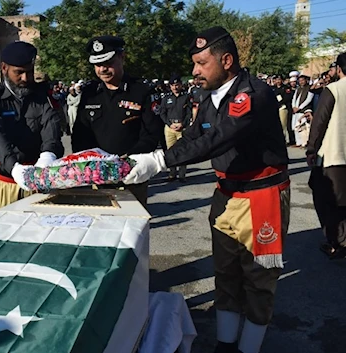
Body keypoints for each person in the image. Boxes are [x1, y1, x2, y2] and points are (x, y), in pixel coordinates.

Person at [123, 27, 290, 353]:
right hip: (226, 195)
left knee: (258, 281)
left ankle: (249, 348)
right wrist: (156, 155)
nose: (195, 71)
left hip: (260, 198)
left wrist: (160, 160)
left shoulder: (252, 94)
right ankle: (226, 345)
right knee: (225, 273)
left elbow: (219, 138)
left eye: (201, 63)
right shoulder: (209, 97)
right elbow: (194, 138)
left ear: (226, 60)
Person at [72, 35, 163, 206]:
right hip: (97, 179)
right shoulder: (90, 93)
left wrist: (124, 162)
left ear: (122, 57)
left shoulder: (141, 91)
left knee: (131, 230)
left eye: (108, 63)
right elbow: (80, 133)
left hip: (131, 178)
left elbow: (151, 135)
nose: (103, 69)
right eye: (98, 65)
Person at [0, 41, 64, 210]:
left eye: (29, 72)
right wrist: (14, 168)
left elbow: (51, 126)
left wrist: (48, 155)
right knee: (7, 230)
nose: (26, 78)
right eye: (19, 72)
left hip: (39, 175)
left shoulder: (43, 96)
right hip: (5, 179)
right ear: (4, 68)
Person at [307, 52, 346, 259]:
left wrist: (311, 150)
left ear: (339, 69)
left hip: (334, 156)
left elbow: (319, 123)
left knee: (328, 202)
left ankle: (336, 242)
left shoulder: (333, 90)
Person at [160, 75, 191, 182]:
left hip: (182, 127)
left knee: (183, 151)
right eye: (172, 85)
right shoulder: (166, 98)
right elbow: (162, 113)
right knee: (170, 151)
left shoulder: (186, 97)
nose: (175, 87)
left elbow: (189, 113)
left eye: (177, 85)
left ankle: (182, 175)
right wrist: (169, 124)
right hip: (170, 127)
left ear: (181, 85)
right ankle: (172, 173)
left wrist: (183, 124)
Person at [291, 75, 313, 147]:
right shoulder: (298, 89)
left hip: (303, 110)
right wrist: (294, 107)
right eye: (300, 81)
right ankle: (298, 143)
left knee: (303, 127)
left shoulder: (309, 88)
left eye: (302, 80)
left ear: (306, 80)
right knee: (296, 126)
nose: (301, 82)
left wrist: (299, 108)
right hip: (296, 110)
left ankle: (304, 143)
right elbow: (294, 98)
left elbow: (308, 99)